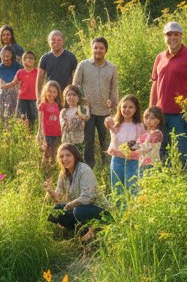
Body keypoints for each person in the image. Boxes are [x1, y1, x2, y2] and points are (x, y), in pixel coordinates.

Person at [149, 21, 187, 168]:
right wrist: (151, 110)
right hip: (160, 114)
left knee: (182, 150)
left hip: (180, 113)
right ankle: (166, 179)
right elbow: (155, 83)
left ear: (181, 36)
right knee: (161, 149)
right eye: (168, 34)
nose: (172, 37)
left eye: (176, 34)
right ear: (164, 37)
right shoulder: (160, 57)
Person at [44, 142, 109, 235]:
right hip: (79, 210)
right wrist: (49, 190)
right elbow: (60, 199)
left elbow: (89, 197)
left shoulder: (84, 169)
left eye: (68, 155)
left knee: (78, 210)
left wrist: (71, 204)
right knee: (58, 209)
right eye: (61, 156)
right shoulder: (63, 174)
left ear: (75, 156)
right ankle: (78, 231)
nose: (65, 159)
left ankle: (96, 230)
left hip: (100, 212)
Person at [73, 36, 118, 168]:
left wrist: (114, 106)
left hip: (105, 110)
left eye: (101, 48)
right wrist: (80, 104)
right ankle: (89, 167)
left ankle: (107, 166)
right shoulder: (83, 65)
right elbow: (75, 85)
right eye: (96, 47)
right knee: (88, 141)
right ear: (92, 49)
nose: (98, 50)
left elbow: (114, 88)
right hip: (87, 112)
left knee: (106, 140)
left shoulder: (112, 68)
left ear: (106, 50)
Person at [105, 95, 145, 196]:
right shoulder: (116, 124)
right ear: (120, 108)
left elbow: (141, 144)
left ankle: (132, 210)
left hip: (133, 161)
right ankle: (119, 210)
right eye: (124, 107)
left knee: (133, 187)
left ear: (136, 109)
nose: (127, 109)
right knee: (117, 188)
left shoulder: (139, 126)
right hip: (117, 160)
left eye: (131, 107)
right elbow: (107, 121)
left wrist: (132, 146)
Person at [36, 30, 77, 98]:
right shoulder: (45, 58)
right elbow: (39, 79)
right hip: (50, 95)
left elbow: (77, 77)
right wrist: (38, 98)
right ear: (49, 41)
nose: (56, 42)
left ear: (63, 41)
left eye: (59, 40)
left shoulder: (71, 57)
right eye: (53, 40)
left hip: (67, 96)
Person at [38, 81, 63, 166]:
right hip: (47, 133)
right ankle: (43, 168)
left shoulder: (58, 105)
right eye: (49, 91)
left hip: (57, 132)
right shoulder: (43, 105)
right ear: (45, 92)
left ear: (57, 93)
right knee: (46, 151)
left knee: (55, 151)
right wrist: (40, 133)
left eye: (54, 92)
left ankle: (52, 168)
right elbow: (40, 121)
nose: (51, 94)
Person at [137, 106, 164, 175]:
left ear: (158, 120)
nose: (148, 120)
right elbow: (137, 145)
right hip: (142, 164)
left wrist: (133, 148)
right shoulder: (145, 134)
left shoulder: (157, 133)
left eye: (152, 118)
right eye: (146, 118)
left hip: (153, 165)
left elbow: (146, 148)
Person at [16, 51, 39, 128]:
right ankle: (22, 133)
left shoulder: (38, 71)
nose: (29, 59)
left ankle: (31, 134)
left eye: (31, 58)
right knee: (21, 116)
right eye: (26, 58)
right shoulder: (20, 72)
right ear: (23, 61)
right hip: (22, 98)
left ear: (35, 61)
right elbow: (15, 83)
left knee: (33, 117)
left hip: (34, 98)